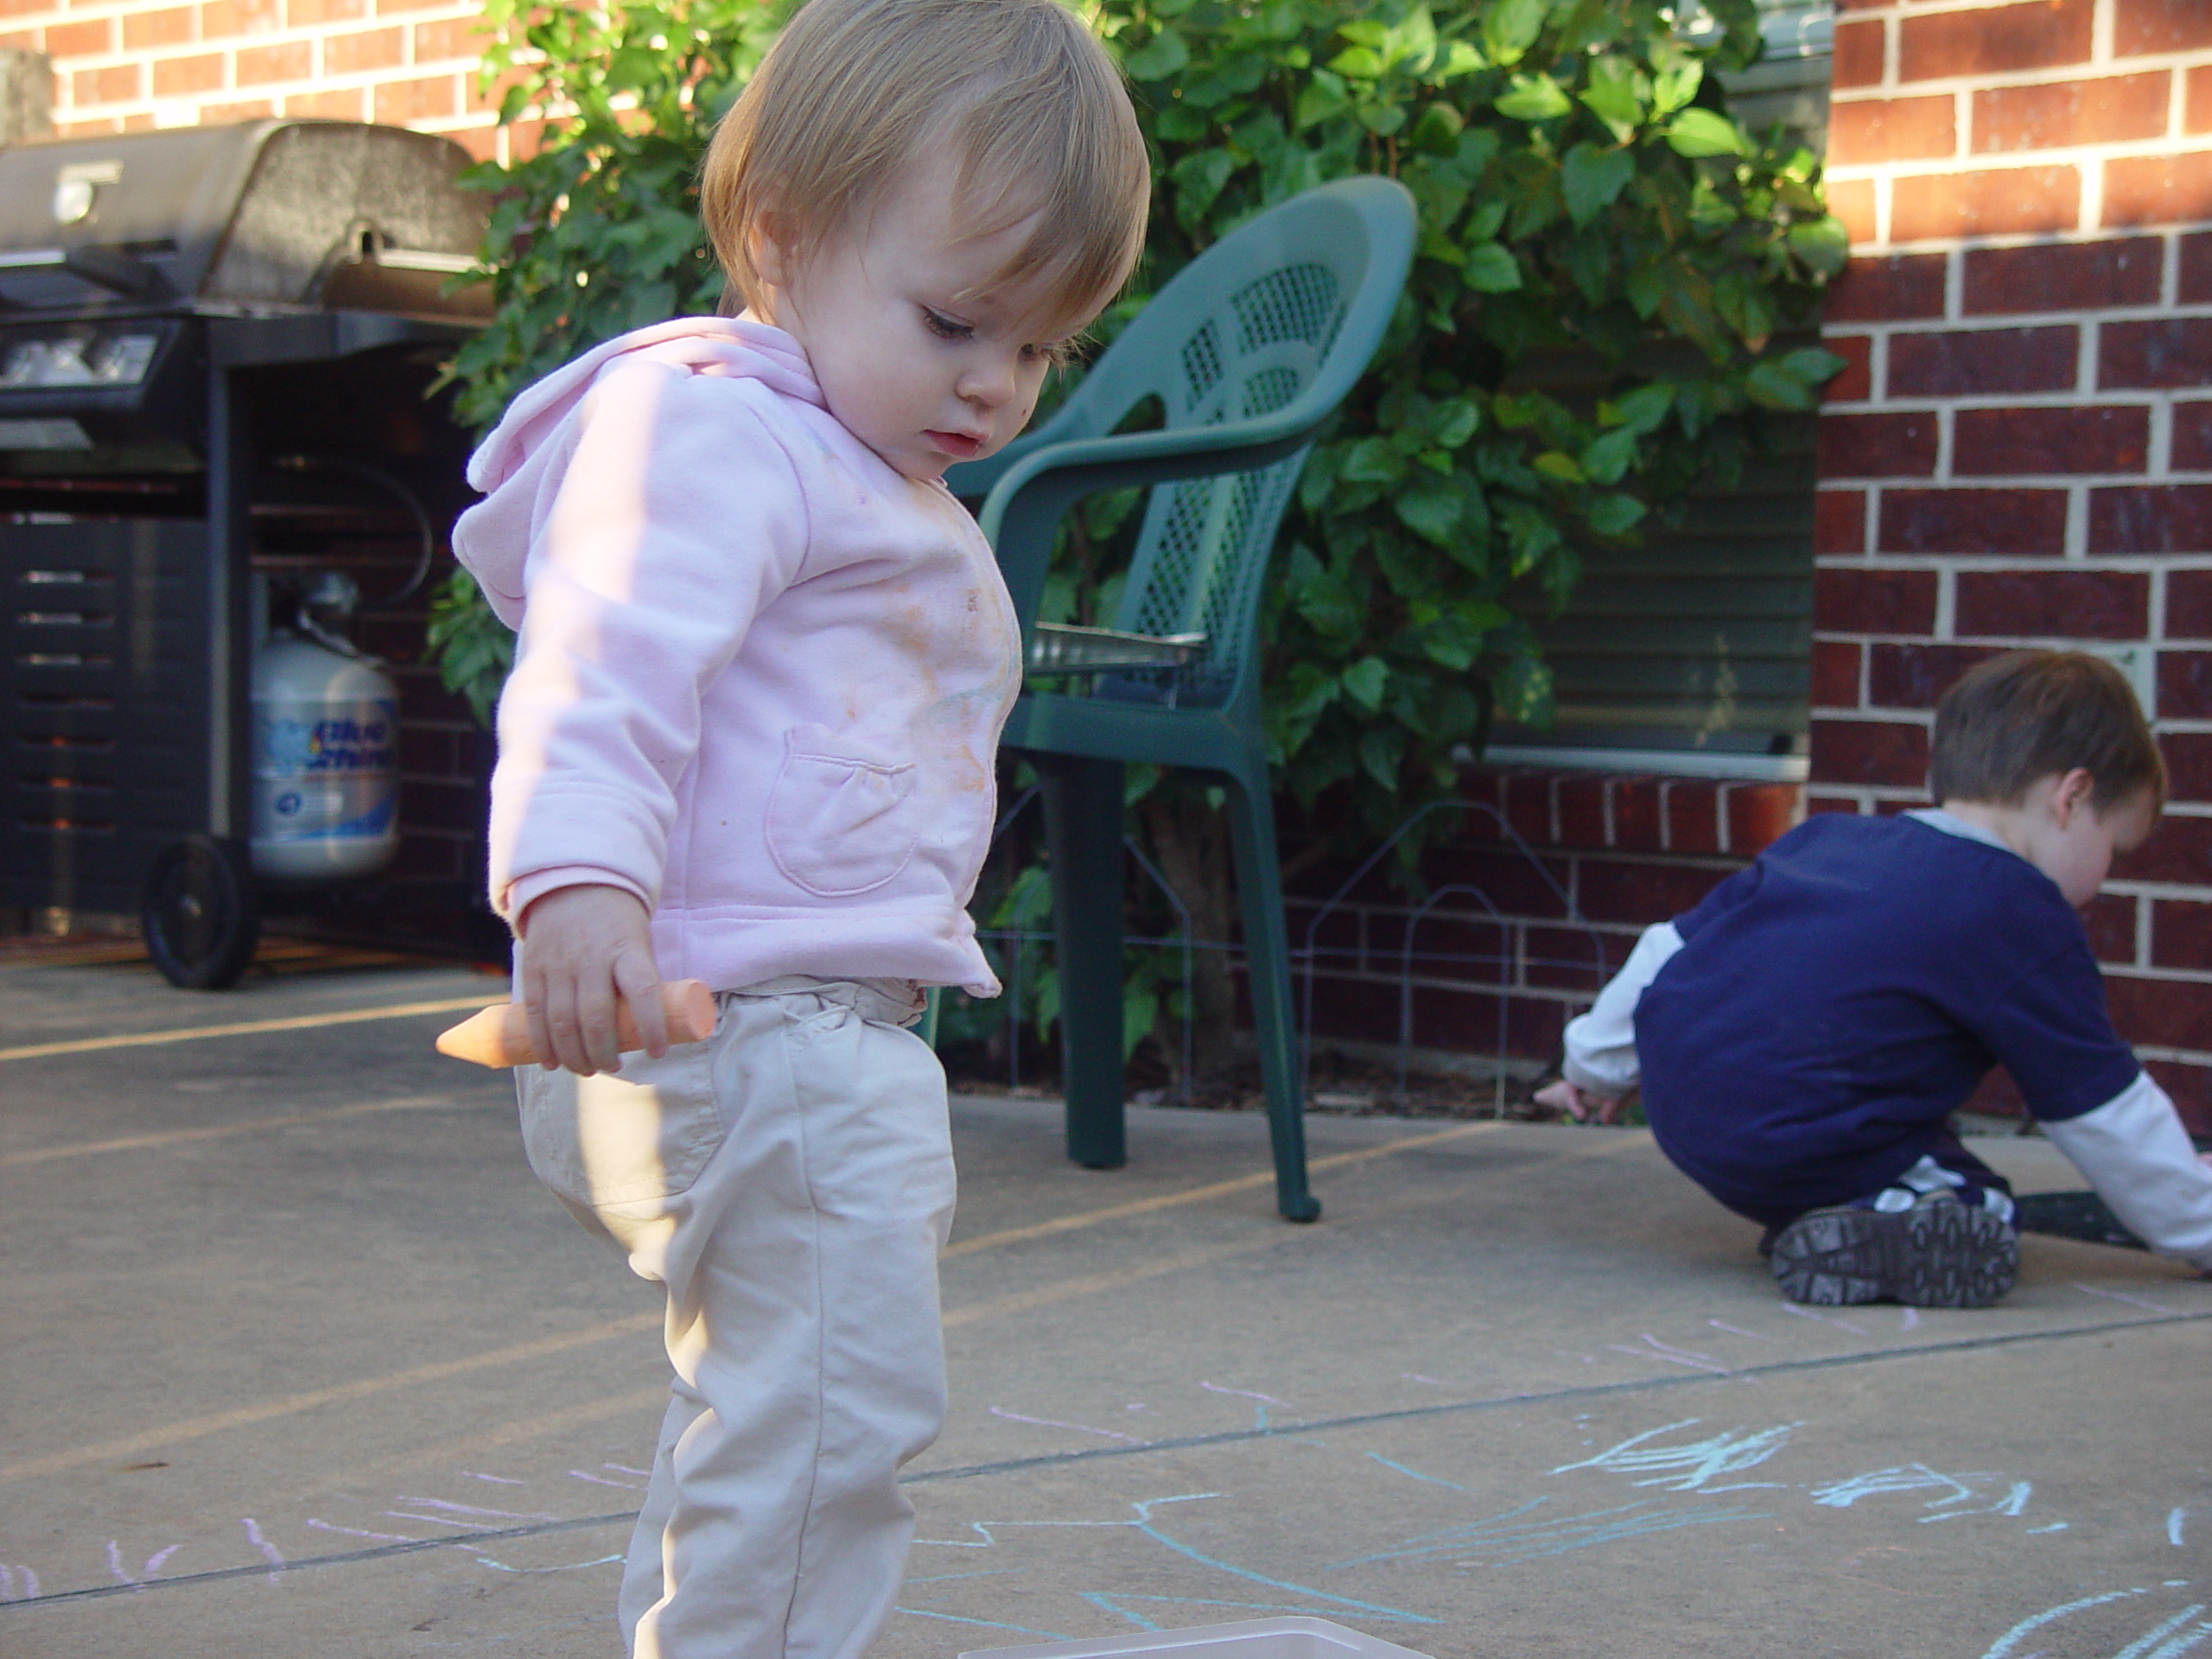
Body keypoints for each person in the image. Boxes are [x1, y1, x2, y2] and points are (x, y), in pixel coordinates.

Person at [448, 0, 1148, 1650]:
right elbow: (602, 650)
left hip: (778, 1031)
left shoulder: (844, 453)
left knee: (776, 1420)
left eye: (1041, 348)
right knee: (831, 1425)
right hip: (745, 1030)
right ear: (783, 234)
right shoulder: (717, 426)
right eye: (958, 320)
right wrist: (576, 885)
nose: (996, 384)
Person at [1535, 651, 2212, 1308]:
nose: (2104, 877)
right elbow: (2103, 1107)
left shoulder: (1825, 841)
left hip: (1686, 1113)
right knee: (1976, 1203)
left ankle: (1831, 1217)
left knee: (1908, 1131)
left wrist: (1594, 1067)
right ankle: (1873, 1216)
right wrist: (2198, 1227)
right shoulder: (2018, 910)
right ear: (2072, 796)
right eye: (2113, 849)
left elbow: (1665, 950)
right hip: (1794, 1132)